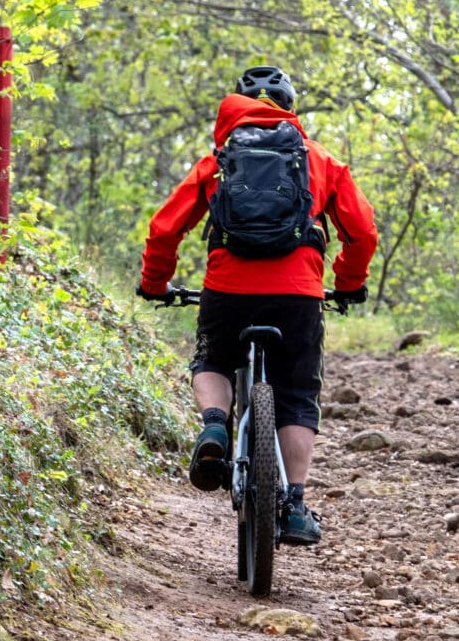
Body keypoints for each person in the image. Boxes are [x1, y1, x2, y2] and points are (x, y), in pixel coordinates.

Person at [137, 65, 377, 545]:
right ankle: (295, 505)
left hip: (228, 291)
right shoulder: (321, 161)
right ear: (290, 109)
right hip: (298, 297)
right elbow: (363, 232)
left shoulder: (218, 161)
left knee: (213, 359)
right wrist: (348, 283)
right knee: (296, 397)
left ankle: (214, 427)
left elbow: (165, 229)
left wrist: (155, 284)